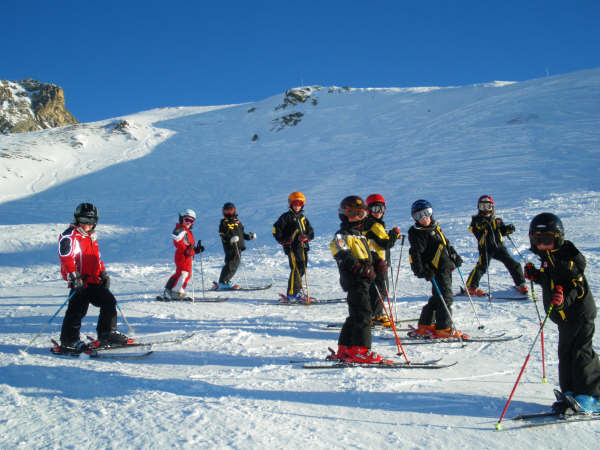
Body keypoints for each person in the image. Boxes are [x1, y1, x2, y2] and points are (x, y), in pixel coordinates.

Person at [524, 212, 600, 413]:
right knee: (565, 354)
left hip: (580, 315)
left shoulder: (566, 259)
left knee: (581, 353)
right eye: (538, 240)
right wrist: (536, 276)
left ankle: (592, 396)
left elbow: (578, 287)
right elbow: (550, 280)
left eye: (547, 240)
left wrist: (563, 301)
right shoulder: (548, 258)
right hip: (564, 319)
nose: (542, 245)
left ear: (557, 238)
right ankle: (571, 393)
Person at [57, 203, 130, 351]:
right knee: (77, 311)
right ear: (77, 219)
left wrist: (103, 273)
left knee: (109, 302)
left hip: (93, 280)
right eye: (84, 220)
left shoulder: (90, 236)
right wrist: (74, 277)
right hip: (80, 281)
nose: (87, 224)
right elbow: (65, 257)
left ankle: (106, 334)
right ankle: (69, 340)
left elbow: (96, 257)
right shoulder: (69, 236)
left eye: (91, 221)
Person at [329, 196, 390, 363]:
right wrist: (360, 268)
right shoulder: (341, 235)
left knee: (356, 314)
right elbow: (342, 254)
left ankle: (345, 348)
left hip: (365, 279)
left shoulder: (360, 235)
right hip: (354, 280)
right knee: (363, 315)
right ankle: (361, 349)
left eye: (360, 214)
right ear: (344, 214)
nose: (356, 217)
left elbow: (368, 253)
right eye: (352, 214)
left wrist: (377, 261)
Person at [407, 199, 467, 339]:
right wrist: (422, 271)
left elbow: (445, 244)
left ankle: (425, 325)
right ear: (414, 218)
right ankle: (444, 328)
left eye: (426, 213)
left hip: (445, 267)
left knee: (438, 297)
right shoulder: (418, 233)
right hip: (435, 270)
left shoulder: (435, 227)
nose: (424, 218)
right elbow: (415, 255)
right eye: (419, 216)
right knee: (446, 298)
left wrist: (454, 256)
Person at [464, 195, 528, 296]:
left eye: (487, 206)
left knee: (513, 264)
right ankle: (471, 287)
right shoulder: (477, 220)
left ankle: (521, 284)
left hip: (499, 247)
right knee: (482, 266)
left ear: (492, 207)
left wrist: (508, 229)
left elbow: (502, 231)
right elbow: (473, 229)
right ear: (479, 208)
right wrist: (481, 226)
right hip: (486, 247)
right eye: (482, 206)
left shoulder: (497, 220)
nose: (485, 209)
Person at [363, 194, 402, 326]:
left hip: (372, 260)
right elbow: (386, 244)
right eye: (375, 209)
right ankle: (376, 315)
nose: (378, 212)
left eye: (381, 209)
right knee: (381, 288)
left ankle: (371, 314)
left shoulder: (369, 223)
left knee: (375, 288)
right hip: (378, 261)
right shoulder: (374, 225)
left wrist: (391, 235)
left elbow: (380, 240)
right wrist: (394, 234)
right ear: (369, 210)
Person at [272, 192, 314, 301]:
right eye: (295, 204)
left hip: (303, 247)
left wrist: (306, 237)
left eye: (299, 204)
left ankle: (297, 292)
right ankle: (292, 294)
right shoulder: (286, 217)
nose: (297, 206)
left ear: (302, 205)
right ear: (290, 204)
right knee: (296, 268)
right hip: (292, 247)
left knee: (302, 268)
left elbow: (311, 232)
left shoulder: (303, 218)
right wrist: (284, 240)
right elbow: (276, 229)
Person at [163, 209, 204, 300]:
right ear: (181, 219)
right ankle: (176, 292)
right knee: (184, 273)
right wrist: (185, 250)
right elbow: (176, 238)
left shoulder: (187, 231)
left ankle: (169, 290)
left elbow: (188, 246)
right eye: (186, 219)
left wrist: (196, 250)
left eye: (191, 221)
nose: (188, 222)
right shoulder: (181, 229)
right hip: (182, 255)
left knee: (182, 273)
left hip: (186, 256)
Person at [215, 202, 256, 290]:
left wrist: (249, 237)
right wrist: (230, 239)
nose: (228, 213)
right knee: (231, 263)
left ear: (234, 210)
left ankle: (223, 281)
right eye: (226, 211)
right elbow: (223, 235)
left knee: (234, 263)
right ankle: (223, 282)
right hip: (230, 246)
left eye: (230, 210)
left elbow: (242, 234)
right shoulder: (224, 223)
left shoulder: (238, 222)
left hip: (238, 246)